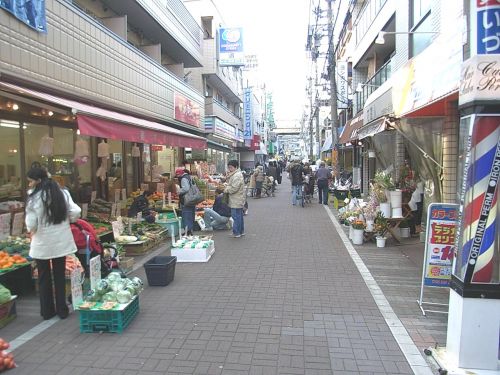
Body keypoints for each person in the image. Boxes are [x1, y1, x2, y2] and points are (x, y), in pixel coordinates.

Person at [25, 166, 81, 320]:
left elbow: (31, 223)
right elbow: (75, 211)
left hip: (42, 243)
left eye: (30, 181)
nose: (29, 185)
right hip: (61, 241)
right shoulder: (62, 193)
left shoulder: (34, 198)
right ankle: (62, 310)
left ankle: (47, 311)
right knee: (59, 275)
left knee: (43, 277)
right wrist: (67, 221)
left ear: (38, 181)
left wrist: (32, 229)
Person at [224, 160, 246, 238]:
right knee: (239, 216)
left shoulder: (236, 175)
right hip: (238, 199)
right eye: (229, 167)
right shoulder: (236, 174)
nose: (230, 169)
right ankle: (241, 231)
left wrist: (226, 189)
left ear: (236, 167)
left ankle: (236, 232)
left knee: (235, 217)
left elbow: (234, 188)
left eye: (231, 167)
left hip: (236, 199)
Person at [176, 167, 196, 235]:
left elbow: (186, 189)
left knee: (186, 214)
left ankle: (188, 231)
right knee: (191, 214)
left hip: (186, 199)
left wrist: (178, 191)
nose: (177, 176)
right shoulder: (189, 177)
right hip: (192, 198)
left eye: (177, 175)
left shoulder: (183, 178)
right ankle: (190, 230)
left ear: (180, 173)